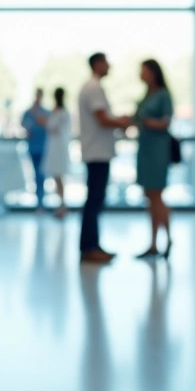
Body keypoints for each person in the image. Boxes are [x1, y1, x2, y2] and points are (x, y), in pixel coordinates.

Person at [78, 53, 131, 264]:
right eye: (106, 62)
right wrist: (123, 122)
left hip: (97, 152)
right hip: (97, 152)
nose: (109, 65)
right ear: (98, 64)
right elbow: (102, 119)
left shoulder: (91, 87)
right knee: (94, 201)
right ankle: (89, 247)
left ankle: (93, 245)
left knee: (95, 201)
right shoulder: (94, 88)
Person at [133, 59, 175, 259]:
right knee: (150, 197)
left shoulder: (163, 96)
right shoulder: (146, 96)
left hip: (158, 150)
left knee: (157, 196)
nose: (141, 75)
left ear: (153, 73)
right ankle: (153, 243)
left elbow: (166, 122)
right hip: (145, 149)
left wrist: (148, 122)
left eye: (144, 71)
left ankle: (167, 238)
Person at [43, 87, 72, 219]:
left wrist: (44, 122)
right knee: (58, 179)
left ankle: (62, 207)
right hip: (57, 148)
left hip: (58, 149)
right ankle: (61, 206)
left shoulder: (60, 113)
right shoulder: (62, 112)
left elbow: (52, 128)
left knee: (59, 179)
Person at [21, 89, 50, 212]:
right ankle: (39, 203)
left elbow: (50, 126)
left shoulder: (46, 113)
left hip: (44, 148)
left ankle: (41, 203)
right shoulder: (29, 112)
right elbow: (24, 124)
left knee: (41, 175)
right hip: (33, 148)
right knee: (36, 175)